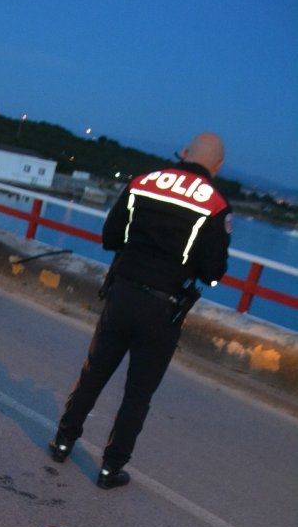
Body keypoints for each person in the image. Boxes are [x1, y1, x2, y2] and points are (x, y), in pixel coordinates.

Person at [49, 132, 232, 489]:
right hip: (164, 309)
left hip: (123, 294)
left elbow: (110, 237)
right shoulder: (215, 205)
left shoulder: (142, 183)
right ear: (218, 166)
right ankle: (110, 468)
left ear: (183, 152)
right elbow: (213, 272)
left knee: (95, 373)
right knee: (138, 393)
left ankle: (62, 442)